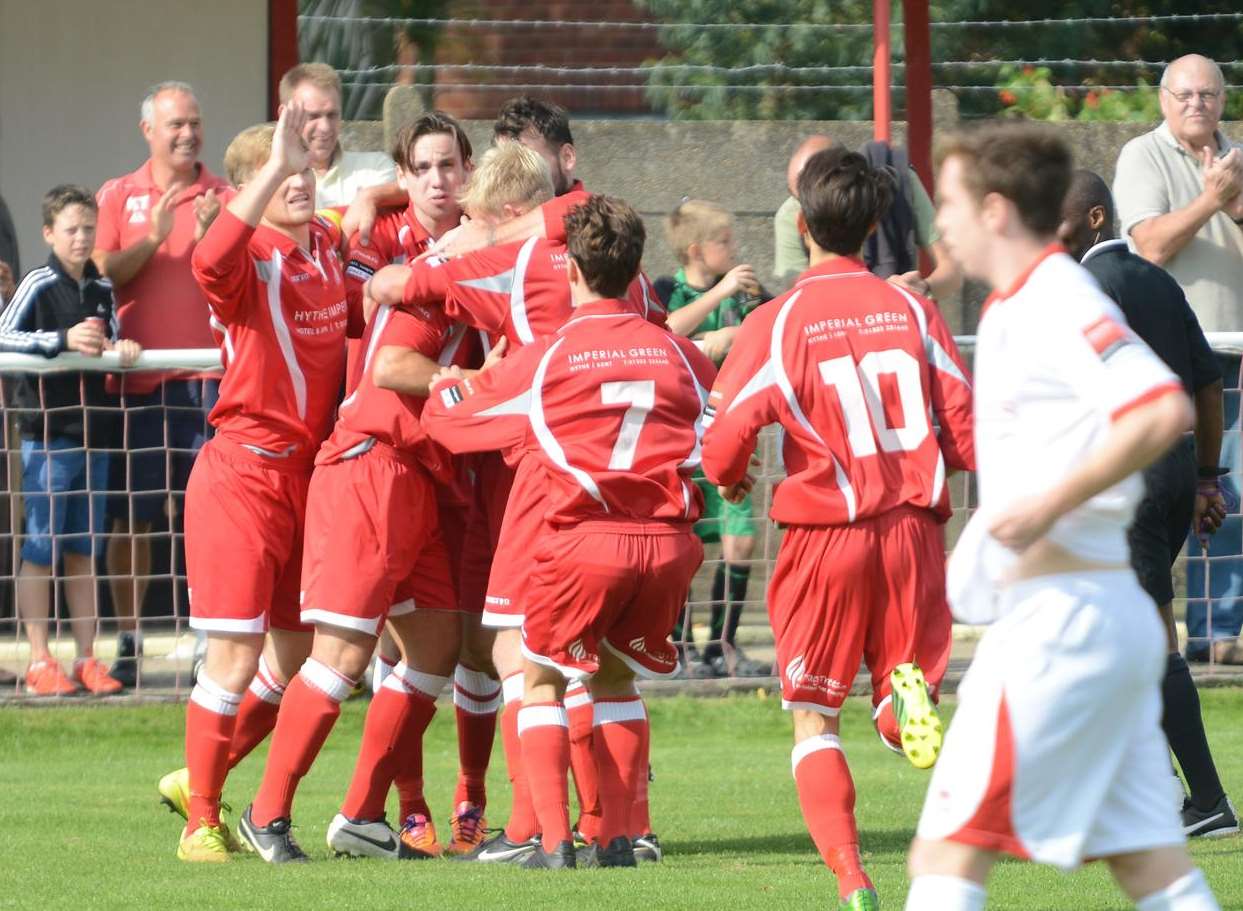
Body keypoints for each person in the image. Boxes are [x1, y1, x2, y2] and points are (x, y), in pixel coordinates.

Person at [905, 123, 1219, 911]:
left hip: (1058, 627)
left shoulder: (1054, 296)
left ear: (995, 211)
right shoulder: (1021, 306)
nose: (938, 223)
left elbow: (1159, 408)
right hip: (1093, 620)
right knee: (1153, 869)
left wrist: (1043, 503)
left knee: (945, 853)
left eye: (947, 202)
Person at [703, 147, 974, 911]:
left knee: (812, 717)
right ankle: (898, 705)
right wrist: (941, 468)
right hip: (912, 529)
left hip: (826, 534)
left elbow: (724, 438)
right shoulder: (913, 309)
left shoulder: (777, 318)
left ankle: (852, 879)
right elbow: (961, 421)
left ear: (799, 221)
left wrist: (730, 477)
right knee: (896, 680)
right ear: (876, 224)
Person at [421, 194, 715, 869]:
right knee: (615, 680)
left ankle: (550, 839)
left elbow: (458, 419)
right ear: (637, 270)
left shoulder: (551, 356)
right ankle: (622, 834)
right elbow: (717, 423)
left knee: (541, 676)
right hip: (665, 547)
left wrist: (448, 384)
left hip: (587, 540)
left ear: (573, 275)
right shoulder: (676, 353)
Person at [168, 102, 355, 862]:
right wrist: (276, 161)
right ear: (249, 189)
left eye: (304, 164)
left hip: (307, 482)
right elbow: (207, 258)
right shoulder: (250, 263)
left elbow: (369, 209)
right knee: (234, 658)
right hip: (242, 475)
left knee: (298, 655)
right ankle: (200, 821)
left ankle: (199, 781)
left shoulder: (326, 252)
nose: (299, 177)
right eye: (279, 170)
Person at [237, 284, 475, 865]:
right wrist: (477, 379)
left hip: (421, 478)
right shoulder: (434, 276)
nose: (443, 185)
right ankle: (262, 814)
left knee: (438, 646)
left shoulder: (480, 279)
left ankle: (363, 815)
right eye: (425, 181)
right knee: (339, 656)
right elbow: (393, 364)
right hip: (372, 465)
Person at [1058, 169, 1237, 838]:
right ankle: (1152, 785)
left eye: (1063, 218)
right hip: (1167, 472)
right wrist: (1203, 478)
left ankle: (1205, 799)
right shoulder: (1160, 284)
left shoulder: (1083, 291)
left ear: (1096, 218)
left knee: (1146, 635)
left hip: (1122, 476)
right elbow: (1209, 382)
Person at [341, 109, 495, 857]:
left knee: (472, 642)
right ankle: (407, 806)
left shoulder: (494, 236)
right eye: (423, 168)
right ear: (405, 177)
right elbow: (367, 314)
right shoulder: (382, 238)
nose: (439, 180)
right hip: (392, 456)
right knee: (394, 649)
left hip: (468, 466)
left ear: (471, 173)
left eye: (451, 166)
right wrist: (369, 203)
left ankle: (473, 800)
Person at [93, 81, 229, 688]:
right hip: (141, 382)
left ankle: (210, 640)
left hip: (210, 380)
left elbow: (239, 275)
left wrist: (213, 236)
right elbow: (103, 273)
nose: (188, 134)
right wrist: (153, 237)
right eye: (175, 125)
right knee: (135, 520)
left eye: (195, 123)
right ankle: (128, 640)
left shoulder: (225, 194)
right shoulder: (119, 195)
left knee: (212, 518)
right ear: (147, 130)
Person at [1114, 54, 1243, 664]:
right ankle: (1157, 639)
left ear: (1223, 100)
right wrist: (1213, 200)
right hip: (1168, 361)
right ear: (1164, 100)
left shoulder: (1238, 158)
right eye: (1185, 94)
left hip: (1235, 354)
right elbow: (1150, 245)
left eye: (1209, 94)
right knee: (1170, 495)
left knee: (1230, 495)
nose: (1197, 104)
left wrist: (1236, 204)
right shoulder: (1144, 156)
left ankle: (1219, 634)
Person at [1, 185, 141, 696]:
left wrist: (122, 347)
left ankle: (88, 658)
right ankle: (39, 659)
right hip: (48, 434)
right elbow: (4, 334)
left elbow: (113, 334)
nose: (82, 238)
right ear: (48, 234)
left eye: (88, 228)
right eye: (71, 229)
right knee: (41, 548)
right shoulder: (38, 282)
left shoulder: (102, 287)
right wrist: (60, 343)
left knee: (86, 550)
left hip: (95, 435)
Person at [655, 199, 768, 678]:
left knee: (740, 542)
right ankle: (676, 647)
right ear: (698, 251)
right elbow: (661, 331)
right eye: (725, 242)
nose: (735, 249)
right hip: (679, 436)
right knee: (684, 547)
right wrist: (715, 314)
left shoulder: (744, 293)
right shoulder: (667, 289)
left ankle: (723, 643)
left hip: (730, 433)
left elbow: (771, 326)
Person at [772, 135, 960, 300]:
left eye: (810, 193)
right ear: (802, 223)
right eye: (797, 196)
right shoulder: (791, 212)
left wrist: (921, 287)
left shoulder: (899, 185)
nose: (805, 203)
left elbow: (952, 269)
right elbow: (796, 295)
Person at [278, 63, 397, 210]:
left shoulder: (375, 167)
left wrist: (370, 196)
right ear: (285, 115)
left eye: (332, 115)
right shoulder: (271, 181)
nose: (325, 127)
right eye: (313, 116)